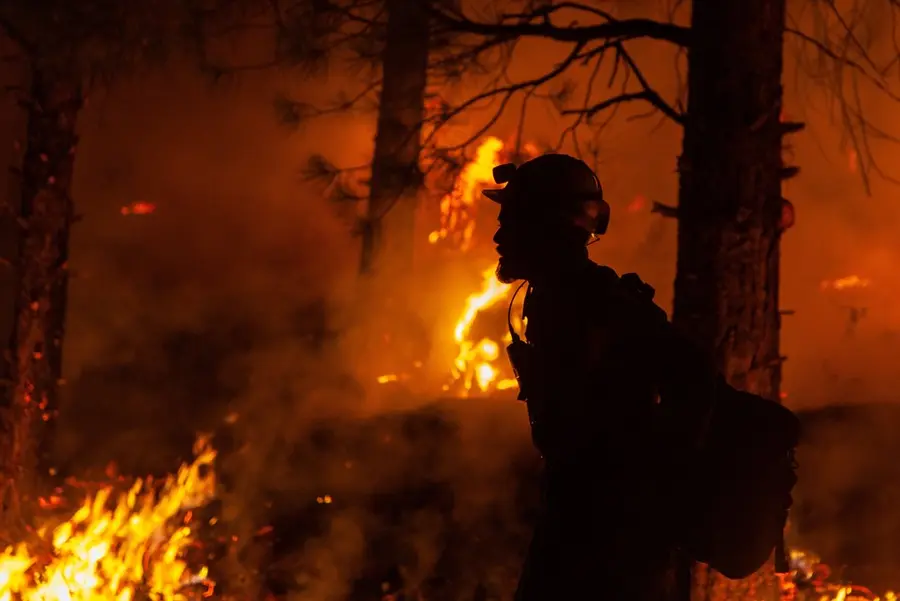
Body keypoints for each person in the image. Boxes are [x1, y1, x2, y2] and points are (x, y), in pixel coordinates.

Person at [483, 154, 799, 601]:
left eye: (511, 221)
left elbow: (691, 378)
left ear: (548, 227)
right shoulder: (557, 300)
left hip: (615, 553)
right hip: (583, 529)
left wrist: (646, 491)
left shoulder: (599, 304)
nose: (499, 236)